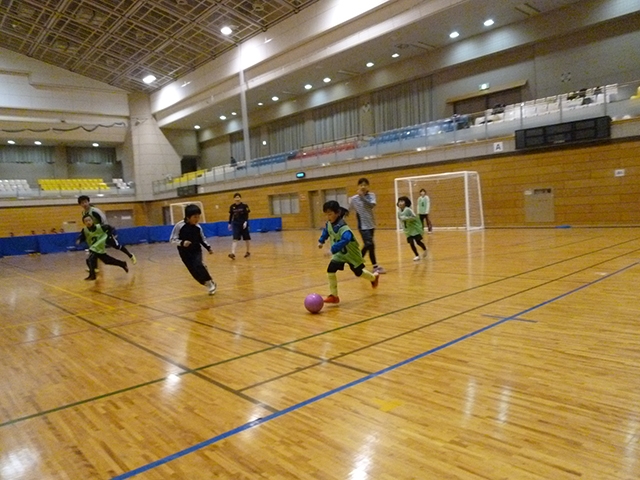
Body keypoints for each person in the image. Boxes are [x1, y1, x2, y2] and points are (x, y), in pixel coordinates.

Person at [317, 200, 379, 304]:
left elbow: (346, 239)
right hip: (340, 254)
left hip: (351, 254)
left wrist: (332, 249)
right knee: (330, 270)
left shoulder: (343, 227)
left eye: (330, 214)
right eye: (326, 214)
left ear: (337, 213)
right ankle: (334, 296)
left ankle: (373, 278)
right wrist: (321, 241)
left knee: (358, 273)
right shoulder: (329, 224)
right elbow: (326, 231)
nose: (328, 217)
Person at [170, 204, 216, 295]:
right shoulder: (179, 226)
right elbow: (172, 239)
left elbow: (202, 239)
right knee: (194, 272)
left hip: (196, 250)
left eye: (198, 217)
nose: (197, 219)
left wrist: (208, 248)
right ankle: (207, 283)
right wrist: (182, 243)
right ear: (188, 217)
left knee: (198, 264)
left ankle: (210, 282)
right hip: (184, 253)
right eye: (195, 217)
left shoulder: (198, 227)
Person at [77, 195, 136, 264]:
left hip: (103, 232)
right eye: (82, 203)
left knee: (116, 246)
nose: (84, 204)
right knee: (94, 249)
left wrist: (108, 232)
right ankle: (94, 267)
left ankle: (130, 255)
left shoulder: (94, 211)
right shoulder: (84, 213)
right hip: (96, 234)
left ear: (88, 202)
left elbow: (104, 221)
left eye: (85, 202)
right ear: (80, 204)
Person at [348, 177, 385, 274]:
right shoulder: (353, 199)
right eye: (361, 185)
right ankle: (363, 263)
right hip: (362, 226)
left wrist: (363, 198)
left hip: (371, 224)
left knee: (369, 245)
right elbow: (348, 210)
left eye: (365, 185)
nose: (363, 187)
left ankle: (361, 263)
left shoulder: (371, 196)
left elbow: (371, 205)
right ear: (358, 186)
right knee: (370, 244)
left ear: (368, 186)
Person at [76, 214, 128, 281]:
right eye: (86, 221)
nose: (88, 222)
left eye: (89, 220)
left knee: (90, 259)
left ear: (93, 221)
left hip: (99, 246)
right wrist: (79, 240)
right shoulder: (85, 230)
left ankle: (93, 276)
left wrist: (110, 236)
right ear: (84, 223)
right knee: (106, 261)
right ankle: (122, 264)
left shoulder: (100, 227)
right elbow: (82, 237)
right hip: (93, 247)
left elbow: (111, 228)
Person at [397, 196, 428, 261]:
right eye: (399, 201)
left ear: (406, 203)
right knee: (411, 243)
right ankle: (417, 255)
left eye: (402, 201)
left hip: (414, 229)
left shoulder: (408, 210)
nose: (400, 203)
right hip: (407, 230)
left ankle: (425, 249)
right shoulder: (398, 212)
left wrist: (407, 218)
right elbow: (400, 220)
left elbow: (415, 217)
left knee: (418, 242)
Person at [227, 192, 251, 259]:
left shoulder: (244, 206)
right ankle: (233, 253)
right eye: (236, 197)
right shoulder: (232, 207)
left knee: (246, 238)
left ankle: (248, 252)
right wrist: (229, 223)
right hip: (236, 224)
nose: (237, 199)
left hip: (243, 224)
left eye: (238, 197)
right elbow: (231, 215)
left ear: (240, 198)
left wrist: (246, 222)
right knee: (235, 238)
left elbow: (247, 214)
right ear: (234, 198)